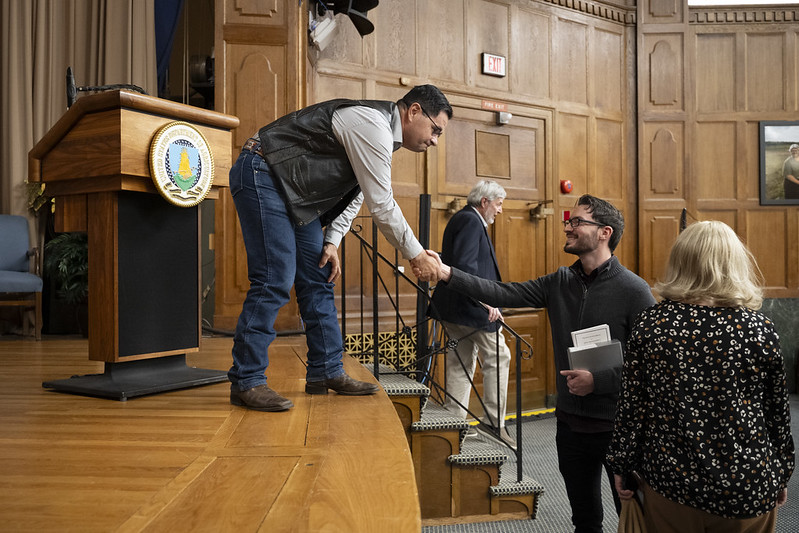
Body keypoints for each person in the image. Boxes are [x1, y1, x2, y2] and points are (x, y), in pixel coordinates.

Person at [419, 194, 656, 533]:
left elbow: (648, 366)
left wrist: (598, 381)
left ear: (604, 232)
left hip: (619, 429)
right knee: (585, 520)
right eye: (569, 221)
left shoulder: (635, 291)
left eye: (577, 222)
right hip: (571, 426)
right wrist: (445, 273)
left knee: (634, 520)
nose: (568, 227)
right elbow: (502, 292)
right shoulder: (559, 282)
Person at [228, 84, 452, 412]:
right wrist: (416, 254)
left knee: (318, 277)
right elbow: (382, 205)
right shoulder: (372, 125)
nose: (434, 140)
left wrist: (332, 240)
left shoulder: (383, 139)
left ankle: (326, 371)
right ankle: (247, 380)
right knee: (274, 278)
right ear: (414, 111)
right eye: (435, 130)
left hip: (294, 193)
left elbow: (360, 192)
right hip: (263, 171)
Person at [607, 220, 795, 533]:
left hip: (671, 483)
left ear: (680, 263)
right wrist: (780, 473)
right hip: (747, 485)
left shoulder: (652, 326)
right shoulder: (759, 329)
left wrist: (622, 467)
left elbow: (632, 408)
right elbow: (777, 415)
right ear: (734, 264)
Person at [428, 180, 515, 450]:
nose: (500, 211)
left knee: (461, 364)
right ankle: (494, 422)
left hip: (455, 309)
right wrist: (487, 302)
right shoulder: (469, 220)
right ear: (485, 202)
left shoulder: (464, 219)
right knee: (500, 357)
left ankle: (454, 426)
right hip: (471, 309)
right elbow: (465, 267)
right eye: (498, 204)